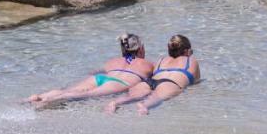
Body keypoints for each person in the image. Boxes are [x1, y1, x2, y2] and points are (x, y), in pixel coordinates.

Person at [26, 33, 155, 105]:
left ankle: (36, 97)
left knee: (69, 90)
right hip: (119, 83)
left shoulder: (113, 61)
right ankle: (48, 102)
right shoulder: (148, 64)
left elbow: (94, 72)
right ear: (141, 49)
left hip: (99, 78)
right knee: (86, 95)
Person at [104, 34, 199, 115]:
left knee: (132, 96)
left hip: (149, 82)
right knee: (157, 97)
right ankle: (144, 106)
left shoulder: (162, 60)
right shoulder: (191, 60)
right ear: (187, 51)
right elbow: (195, 81)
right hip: (169, 83)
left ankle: (115, 103)